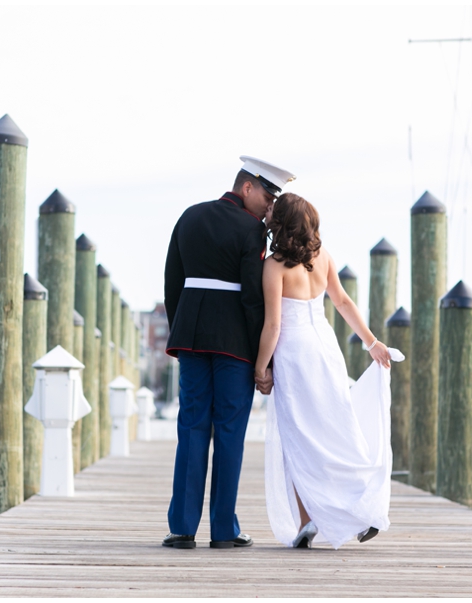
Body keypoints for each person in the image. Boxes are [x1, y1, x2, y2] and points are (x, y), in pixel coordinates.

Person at [162, 156, 296, 549]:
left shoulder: (189, 216)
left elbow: (173, 281)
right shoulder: (252, 230)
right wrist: (264, 359)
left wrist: (180, 330)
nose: (270, 205)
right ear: (247, 187)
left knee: (190, 428)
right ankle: (224, 529)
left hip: (191, 338)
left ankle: (182, 528)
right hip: (235, 344)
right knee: (230, 433)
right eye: (268, 195)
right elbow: (254, 300)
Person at [254, 192, 401, 549]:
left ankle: (308, 520)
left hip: (294, 352)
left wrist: (260, 368)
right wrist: (371, 342)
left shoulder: (274, 266)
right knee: (337, 427)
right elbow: (343, 302)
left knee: (299, 435)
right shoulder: (323, 258)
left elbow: (273, 325)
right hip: (326, 347)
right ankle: (360, 505)